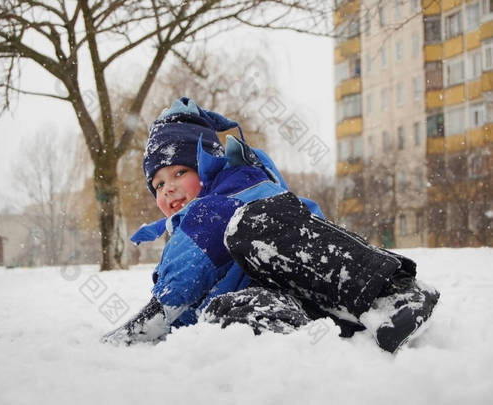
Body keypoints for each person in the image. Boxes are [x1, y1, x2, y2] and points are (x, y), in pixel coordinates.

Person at [101, 97, 439, 353]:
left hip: (321, 278)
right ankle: (292, 339)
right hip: (298, 306)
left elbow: (187, 271)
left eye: (179, 172)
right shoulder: (186, 228)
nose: (169, 187)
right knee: (222, 314)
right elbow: (186, 310)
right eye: (158, 184)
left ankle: (391, 291)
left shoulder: (236, 187)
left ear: (207, 165)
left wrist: (150, 318)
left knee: (249, 227)